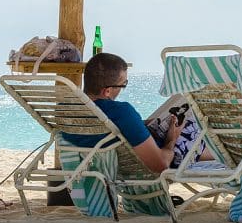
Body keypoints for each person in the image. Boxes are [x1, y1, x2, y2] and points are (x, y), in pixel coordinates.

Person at [65, 52, 197, 173]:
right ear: (107, 91)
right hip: (140, 169)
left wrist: (140, 123)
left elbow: (106, 125)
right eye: (123, 84)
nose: (122, 88)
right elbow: (160, 165)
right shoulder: (122, 112)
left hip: (91, 169)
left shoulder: (66, 109)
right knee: (192, 131)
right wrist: (171, 139)